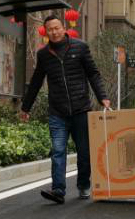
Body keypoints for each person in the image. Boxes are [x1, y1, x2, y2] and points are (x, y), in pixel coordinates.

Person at [21, 14, 111, 204]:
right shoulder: (44, 55)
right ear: (46, 32)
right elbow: (36, 81)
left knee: (84, 152)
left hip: (81, 110)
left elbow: (93, 74)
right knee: (58, 150)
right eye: (50, 30)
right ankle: (58, 190)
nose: (54, 32)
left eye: (57, 28)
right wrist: (25, 107)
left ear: (63, 28)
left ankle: (83, 184)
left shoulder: (80, 47)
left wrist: (103, 97)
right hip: (57, 112)